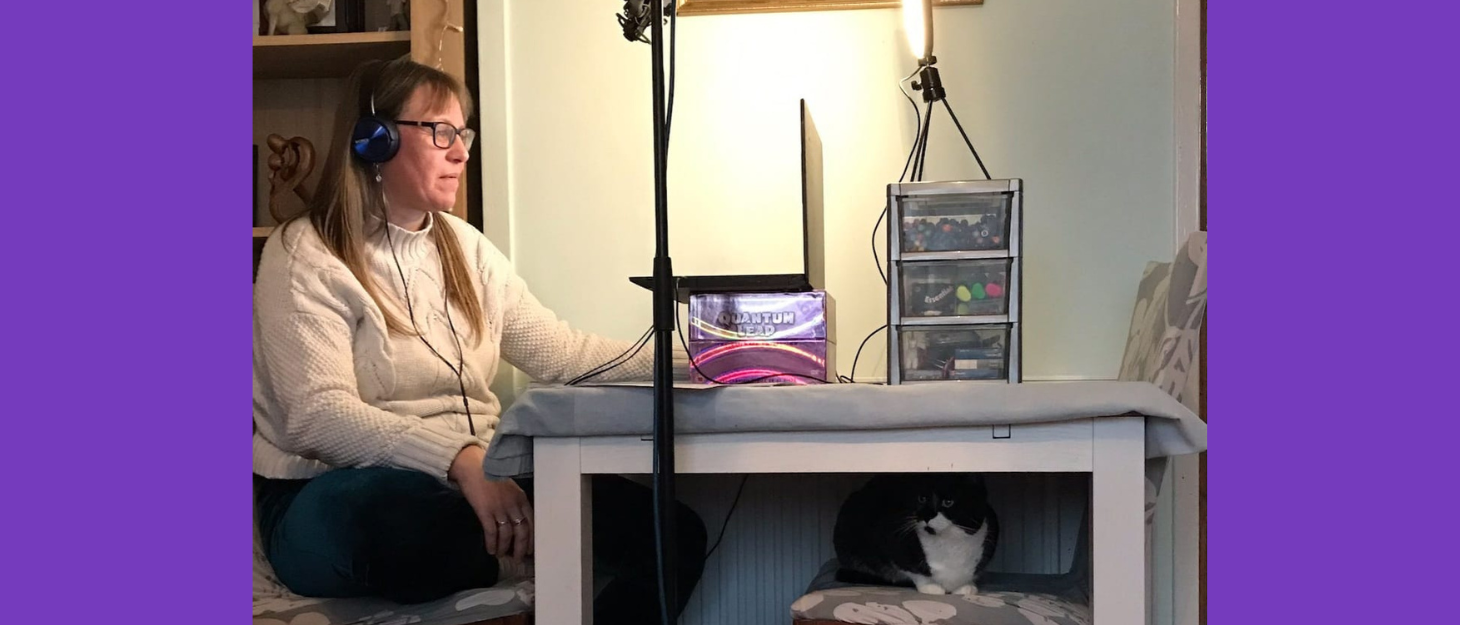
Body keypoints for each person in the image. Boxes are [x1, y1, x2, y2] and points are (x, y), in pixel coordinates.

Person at [251, 57, 707, 623]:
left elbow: (562, 354)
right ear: (375, 140)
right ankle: (504, 541)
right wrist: (462, 461)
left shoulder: (466, 249)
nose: (461, 151)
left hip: (471, 482)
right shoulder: (304, 253)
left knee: (672, 534)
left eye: (462, 132)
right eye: (439, 131)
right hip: (328, 496)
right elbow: (315, 415)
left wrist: (711, 359)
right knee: (413, 528)